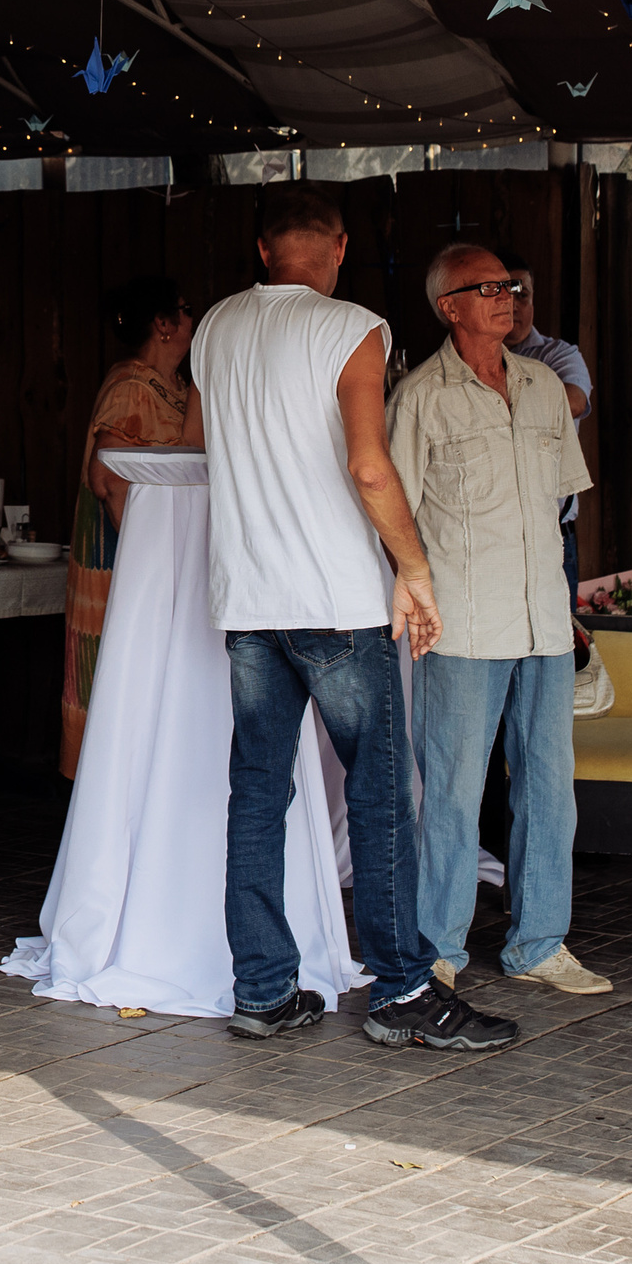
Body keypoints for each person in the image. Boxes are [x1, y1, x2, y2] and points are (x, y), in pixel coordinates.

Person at [188, 182, 516, 1053]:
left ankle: (263, 989)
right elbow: (370, 467)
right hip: (334, 599)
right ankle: (404, 988)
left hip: (250, 599)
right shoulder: (352, 327)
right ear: (336, 248)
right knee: (379, 797)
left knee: (257, 795)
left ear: (266, 250)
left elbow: (201, 444)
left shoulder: (214, 327)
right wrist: (414, 568)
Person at [393, 246, 608, 999]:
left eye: (509, 285)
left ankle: (539, 941)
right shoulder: (421, 397)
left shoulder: (546, 386)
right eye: (486, 288)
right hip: (463, 620)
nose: (506, 296)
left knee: (550, 785)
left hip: (542, 619)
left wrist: (569, 608)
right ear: (449, 305)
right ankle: (438, 944)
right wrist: (413, 592)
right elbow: (393, 514)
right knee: (452, 788)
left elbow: (559, 507)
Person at [61, 277, 196, 779]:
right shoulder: (131, 387)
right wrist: (147, 556)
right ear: (163, 324)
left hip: (156, 554)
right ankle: (111, 785)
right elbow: (108, 477)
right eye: (185, 309)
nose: (191, 319)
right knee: (121, 664)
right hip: (124, 555)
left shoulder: (176, 388)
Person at [498, 255, 594, 603]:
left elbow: (574, 401)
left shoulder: (558, 355)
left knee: (555, 650)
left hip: (550, 535)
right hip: (487, 536)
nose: (512, 303)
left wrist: (487, 392)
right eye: (502, 291)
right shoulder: (457, 363)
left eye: (522, 293)